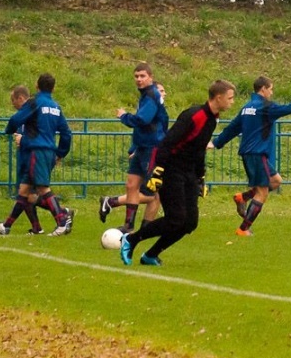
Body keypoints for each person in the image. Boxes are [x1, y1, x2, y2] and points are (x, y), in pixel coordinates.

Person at [120, 80, 236, 266]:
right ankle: (131, 239)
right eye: (230, 98)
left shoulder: (213, 119)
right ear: (218, 97)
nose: (232, 102)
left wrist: (200, 177)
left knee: (190, 223)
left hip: (188, 173)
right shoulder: (194, 115)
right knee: (176, 219)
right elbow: (167, 143)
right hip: (171, 170)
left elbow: (199, 150)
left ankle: (150, 255)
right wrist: (158, 170)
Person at [210, 77, 291, 236]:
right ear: (263, 89)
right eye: (271, 89)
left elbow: (233, 128)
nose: (271, 93)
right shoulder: (266, 107)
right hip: (257, 154)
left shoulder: (247, 107)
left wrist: (216, 142)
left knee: (276, 181)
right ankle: (243, 229)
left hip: (251, 153)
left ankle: (242, 197)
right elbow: (290, 108)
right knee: (262, 193)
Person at [0, 73, 74, 236]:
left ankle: (62, 221)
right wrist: (60, 153)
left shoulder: (35, 102)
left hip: (36, 151)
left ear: (37, 85)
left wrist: (9, 130)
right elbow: (66, 133)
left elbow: (16, 119)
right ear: (53, 88)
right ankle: (6, 226)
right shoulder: (56, 107)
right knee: (24, 190)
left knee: (42, 188)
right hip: (48, 151)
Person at [100, 77, 169, 232]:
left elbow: (156, 131)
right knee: (152, 193)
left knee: (148, 191)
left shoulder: (153, 105)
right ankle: (116, 208)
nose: (164, 93)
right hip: (149, 151)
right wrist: (135, 148)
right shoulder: (150, 101)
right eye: (161, 90)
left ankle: (133, 224)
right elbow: (143, 125)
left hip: (147, 150)